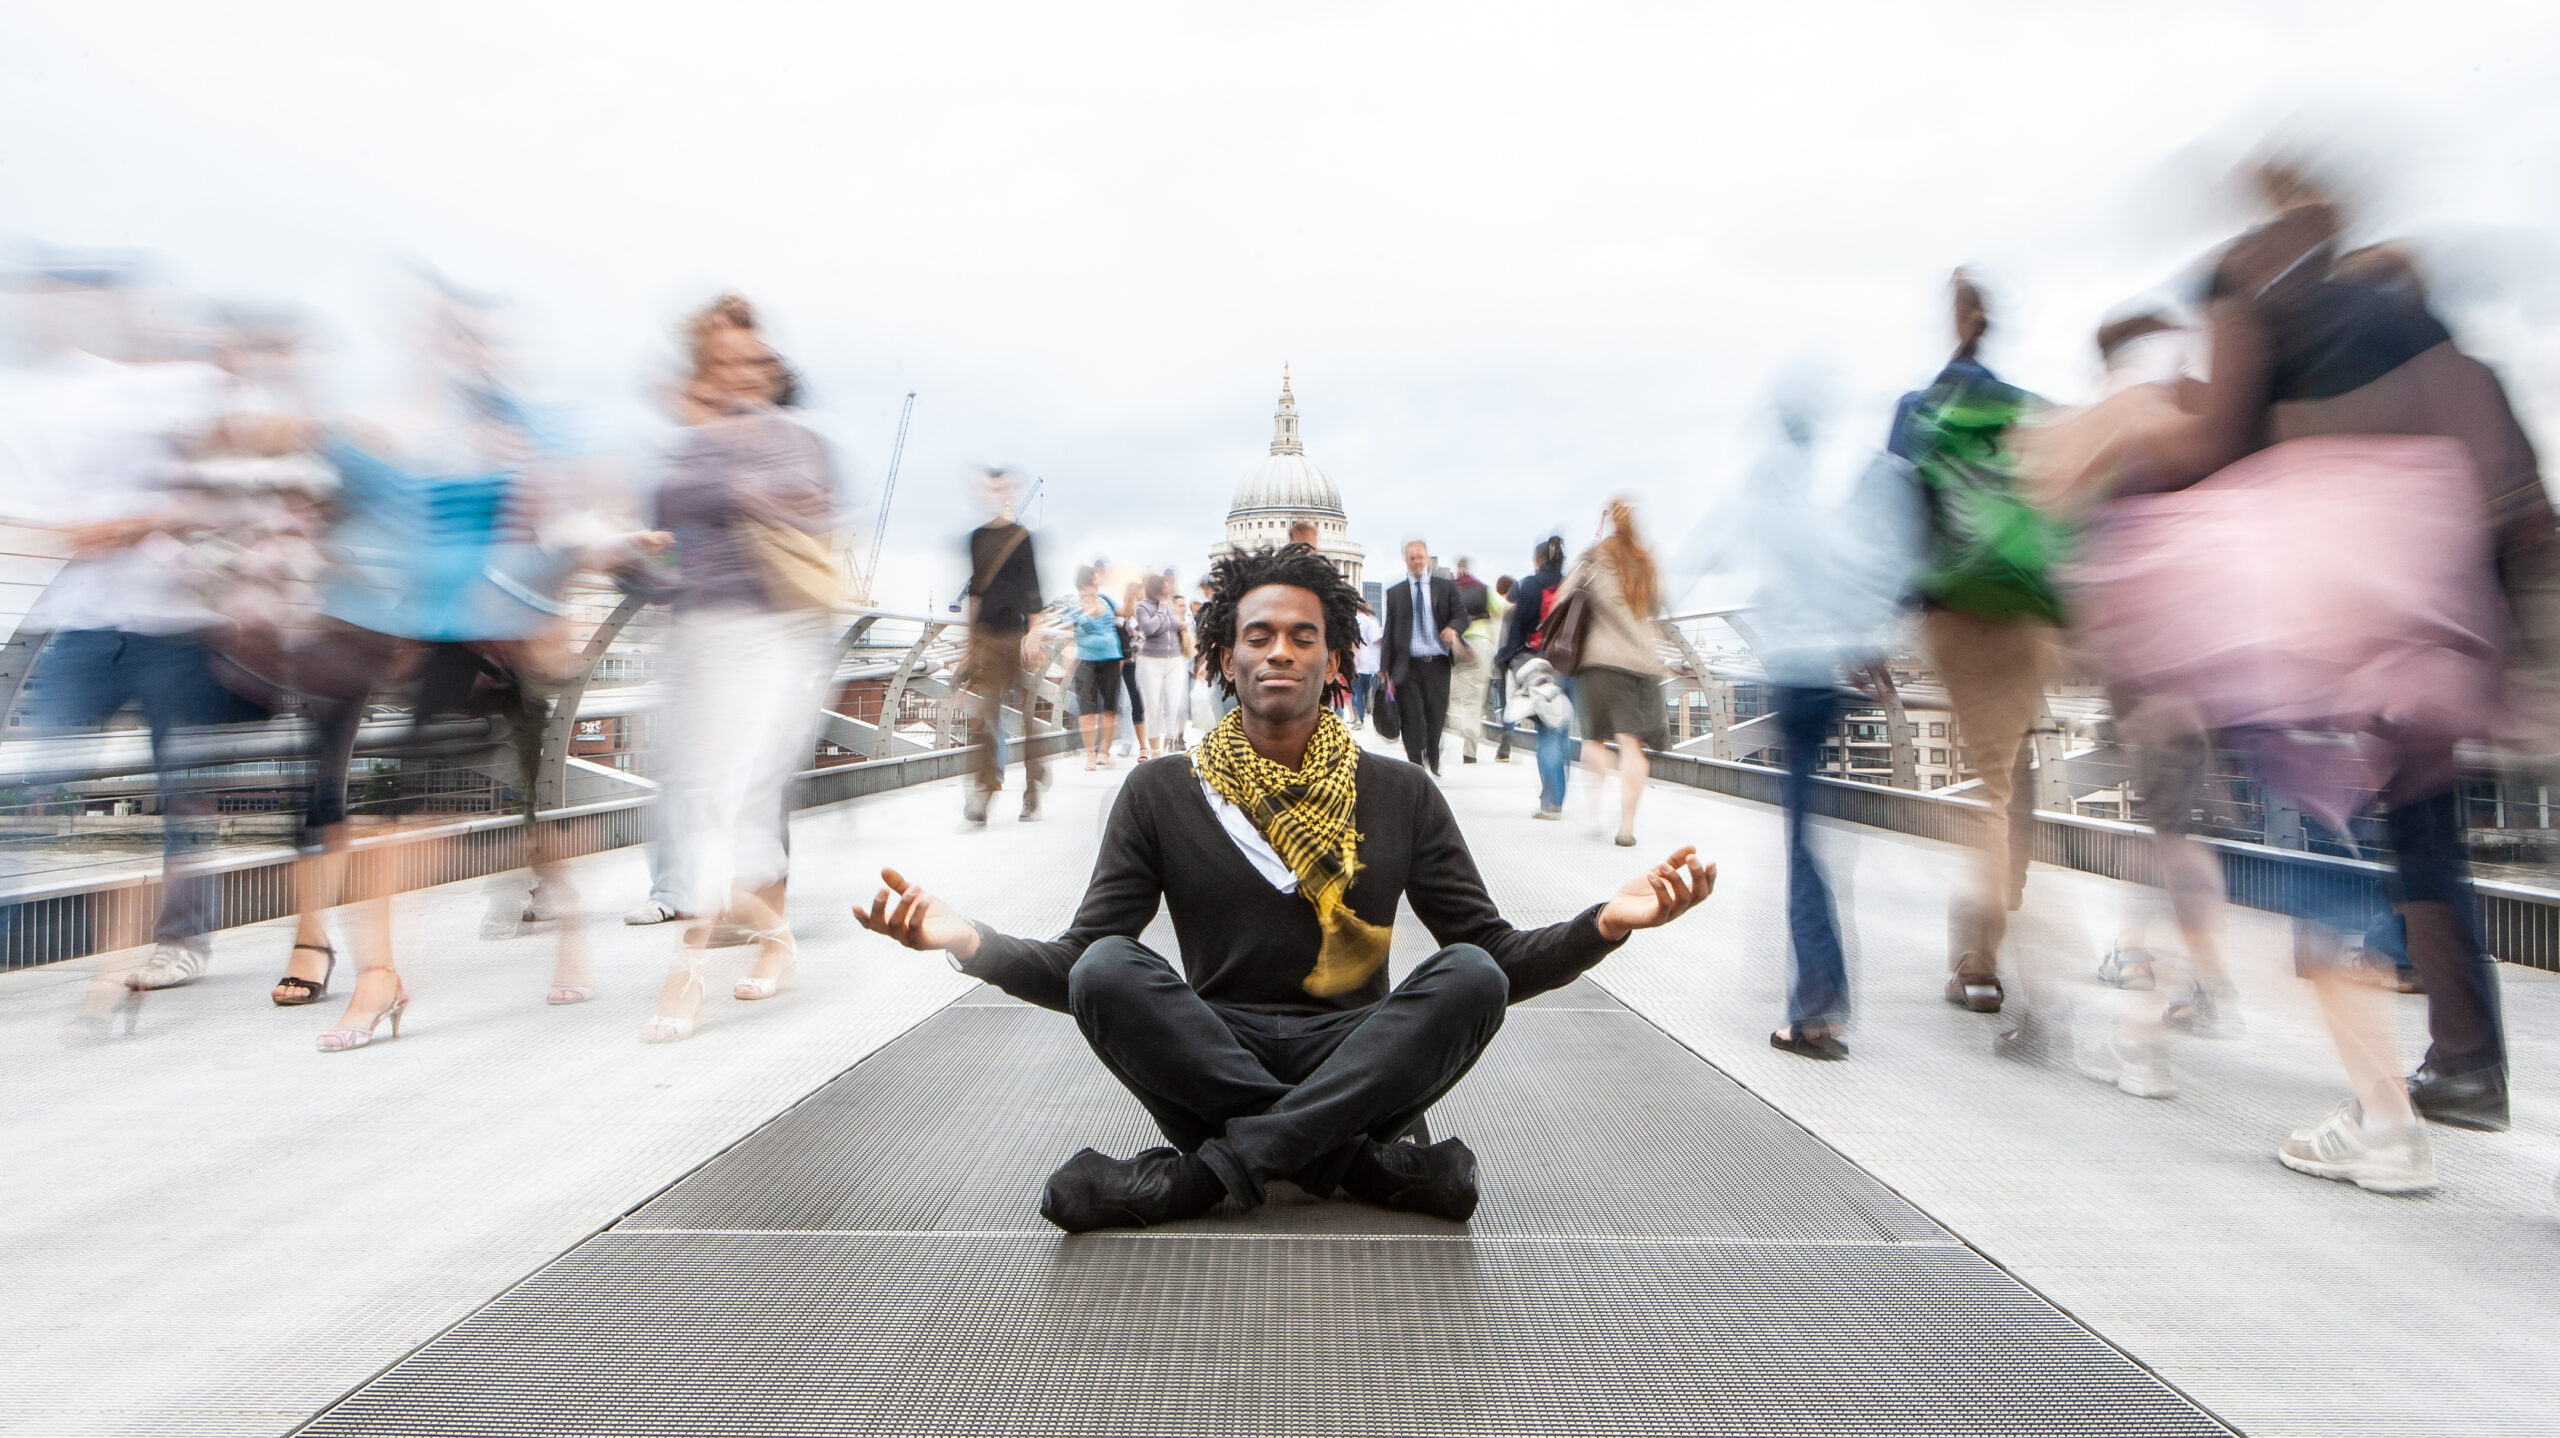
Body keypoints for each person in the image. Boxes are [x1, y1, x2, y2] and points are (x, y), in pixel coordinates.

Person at [853, 541, 1717, 1232]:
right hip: (1217, 1058)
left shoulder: (1401, 793)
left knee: (1472, 979)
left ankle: (1201, 1179)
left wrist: (1604, 922)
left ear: (1335, 658)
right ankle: (1357, 1163)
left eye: (1303, 636)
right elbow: (1081, 965)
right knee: (1108, 970)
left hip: (1358, 1053)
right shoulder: (1162, 792)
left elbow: (1491, 953)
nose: (1280, 652)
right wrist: (969, 943)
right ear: (1223, 658)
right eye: (1259, 635)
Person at [2080, 164, 2555, 1189]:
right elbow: (2520, 512)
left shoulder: (2281, 338)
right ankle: (2445, 1073)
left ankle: (2393, 1112)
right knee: (2406, 859)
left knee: (2336, 868)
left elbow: (2211, 467)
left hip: (2341, 665)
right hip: (2438, 659)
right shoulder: (2436, 362)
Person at [641, 294, 840, 1041]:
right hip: (699, 633)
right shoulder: (692, 438)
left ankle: (685, 971)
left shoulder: (792, 439)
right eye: (715, 362)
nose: (731, 374)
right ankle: (778, 940)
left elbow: (814, 517)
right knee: (705, 798)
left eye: (743, 360)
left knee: (727, 801)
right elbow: (671, 510)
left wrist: (741, 485)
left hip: (774, 636)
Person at [1892, 270, 2058, 1016]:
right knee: (2013, 767)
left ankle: (1979, 960)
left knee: (1988, 787)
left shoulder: (1919, 408)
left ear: (1955, 318)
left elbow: (1897, 512)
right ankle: (2007, 901)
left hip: (1953, 608)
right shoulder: (2024, 408)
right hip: (2028, 612)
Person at [1553, 502, 1669, 847]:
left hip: (1601, 663)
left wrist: (1588, 559)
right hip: (1643, 663)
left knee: (1594, 739)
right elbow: (1659, 604)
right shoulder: (1648, 558)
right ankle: (1627, 827)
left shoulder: (1595, 557)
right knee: (1632, 746)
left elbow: (1562, 598)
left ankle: (1592, 811)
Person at [960, 468, 1046, 824]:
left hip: (1017, 637)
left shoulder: (1022, 537)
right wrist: (969, 645)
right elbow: (975, 594)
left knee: (1027, 717)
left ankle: (1032, 789)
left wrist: (1036, 634)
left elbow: (1034, 590)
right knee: (985, 715)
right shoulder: (976, 538)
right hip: (988, 638)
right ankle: (984, 791)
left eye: (1001, 486)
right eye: (989, 486)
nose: (994, 492)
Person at [1499, 537, 1573, 816]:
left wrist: (1506, 659)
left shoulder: (1528, 586)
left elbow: (1517, 624)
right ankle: (1557, 794)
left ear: (1538, 559)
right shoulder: (1570, 585)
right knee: (1562, 729)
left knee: (1547, 733)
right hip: (1569, 664)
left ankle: (1551, 801)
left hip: (1539, 664)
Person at [1381, 538, 1461, 774]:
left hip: (1437, 662)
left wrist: (1453, 629)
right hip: (1408, 665)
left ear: (1427, 558)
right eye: (1411, 558)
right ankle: (1415, 764)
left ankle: (1433, 752)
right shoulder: (1396, 593)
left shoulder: (1445, 587)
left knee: (1435, 713)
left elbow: (1460, 615)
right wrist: (1385, 668)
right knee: (1411, 714)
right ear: (1406, 561)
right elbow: (1389, 630)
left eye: (1420, 557)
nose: (1416, 561)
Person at [1071, 565, 1123, 769]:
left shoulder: (1106, 600)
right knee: (1087, 711)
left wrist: (1133, 593)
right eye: (1094, 579)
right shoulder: (1074, 606)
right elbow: (1068, 634)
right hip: (1086, 660)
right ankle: (1090, 755)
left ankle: (1104, 751)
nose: (1097, 582)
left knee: (1110, 709)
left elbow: (1125, 612)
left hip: (1111, 658)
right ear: (1086, 581)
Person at [1446, 557, 1494, 764]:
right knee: (1474, 701)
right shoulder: (1485, 590)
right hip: (1482, 647)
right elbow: (1508, 609)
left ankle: (1457, 726)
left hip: (1457, 644)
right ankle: (1470, 750)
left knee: (1452, 695)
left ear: (1457, 570)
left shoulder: (1450, 590)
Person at [1134, 573, 1185, 757]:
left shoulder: (1170, 604)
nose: (1168, 589)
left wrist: (1181, 627)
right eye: (1165, 587)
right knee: (1153, 705)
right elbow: (1150, 629)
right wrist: (1162, 608)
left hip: (1175, 659)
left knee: (1174, 702)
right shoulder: (1142, 606)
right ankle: (1155, 751)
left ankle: (1169, 741)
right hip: (1151, 661)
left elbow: (1174, 625)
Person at [1117, 578, 1148, 757]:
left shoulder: (1148, 613)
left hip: (1148, 662)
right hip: (1130, 662)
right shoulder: (1122, 617)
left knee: (1146, 701)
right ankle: (1139, 745)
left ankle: (1148, 743)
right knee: (1131, 702)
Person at [1487, 575, 1516, 762]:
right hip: (1512, 659)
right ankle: (1505, 746)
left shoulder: (1493, 609)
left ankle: (1502, 744)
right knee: (1511, 703)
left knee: (1499, 702)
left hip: (1495, 659)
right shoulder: (1514, 609)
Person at [1350, 597, 1383, 728]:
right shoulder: (1371, 623)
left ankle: (1359, 718)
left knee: (1356, 690)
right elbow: (1377, 639)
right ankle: (1367, 711)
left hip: (1354, 662)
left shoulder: (1350, 622)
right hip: (1369, 664)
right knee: (1365, 689)